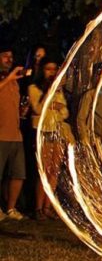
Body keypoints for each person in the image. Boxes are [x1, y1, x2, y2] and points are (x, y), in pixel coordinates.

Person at [28, 58, 71, 220]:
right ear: (42, 70)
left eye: (54, 69)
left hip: (57, 131)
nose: (52, 72)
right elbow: (39, 108)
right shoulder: (34, 88)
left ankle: (48, 206)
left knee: (54, 171)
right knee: (44, 172)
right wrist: (50, 96)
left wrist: (55, 105)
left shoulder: (59, 91)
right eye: (48, 69)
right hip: (44, 132)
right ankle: (38, 207)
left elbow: (65, 113)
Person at [0, 45, 28, 221]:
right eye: (4, 56)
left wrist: (22, 111)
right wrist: (9, 78)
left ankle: (10, 208)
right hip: (0, 135)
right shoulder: (8, 80)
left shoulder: (14, 82)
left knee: (19, 173)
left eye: (11, 56)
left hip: (15, 135)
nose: (9, 59)